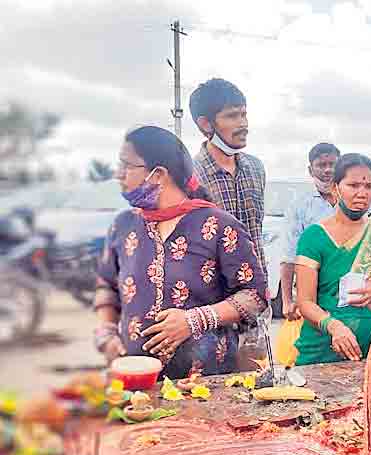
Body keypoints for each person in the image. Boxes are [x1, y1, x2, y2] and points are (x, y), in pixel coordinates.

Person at [94, 126, 267, 380]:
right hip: (136, 384)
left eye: (126, 165)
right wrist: (106, 334)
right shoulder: (122, 225)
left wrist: (196, 320)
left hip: (206, 384)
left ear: (158, 174)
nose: (118, 175)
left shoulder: (218, 225)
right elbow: (106, 286)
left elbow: (256, 295)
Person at [294, 153, 371, 365]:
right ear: (336, 188)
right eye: (353, 185)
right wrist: (334, 326)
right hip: (321, 350)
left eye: (369, 186)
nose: (362, 193)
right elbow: (305, 302)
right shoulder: (314, 236)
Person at [189, 78, 267, 269]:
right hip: (213, 295)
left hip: (256, 290)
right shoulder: (188, 176)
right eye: (232, 116)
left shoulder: (256, 169)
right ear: (206, 124)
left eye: (244, 114)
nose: (243, 124)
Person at [280, 143, 341, 321]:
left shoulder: (351, 201)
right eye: (322, 165)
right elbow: (289, 256)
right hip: (311, 293)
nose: (328, 170)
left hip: (346, 293)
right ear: (310, 169)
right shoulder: (300, 206)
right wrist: (287, 300)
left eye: (333, 164)